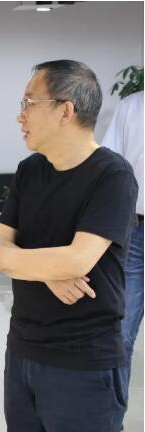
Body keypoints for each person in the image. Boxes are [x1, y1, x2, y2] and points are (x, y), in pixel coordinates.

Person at [0, 60, 137, 432]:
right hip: (24, 351)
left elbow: (79, 258)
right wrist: (50, 271)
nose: (20, 115)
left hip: (84, 359)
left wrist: (23, 261)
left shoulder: (112, 175)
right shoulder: (30, 171)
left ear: (65, 110)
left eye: (29, 103)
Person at [102, 90, 144, 404]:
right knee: (121, 331)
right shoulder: (132, 107)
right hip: (135, 231)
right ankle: (112, 414)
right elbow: (109, 164)